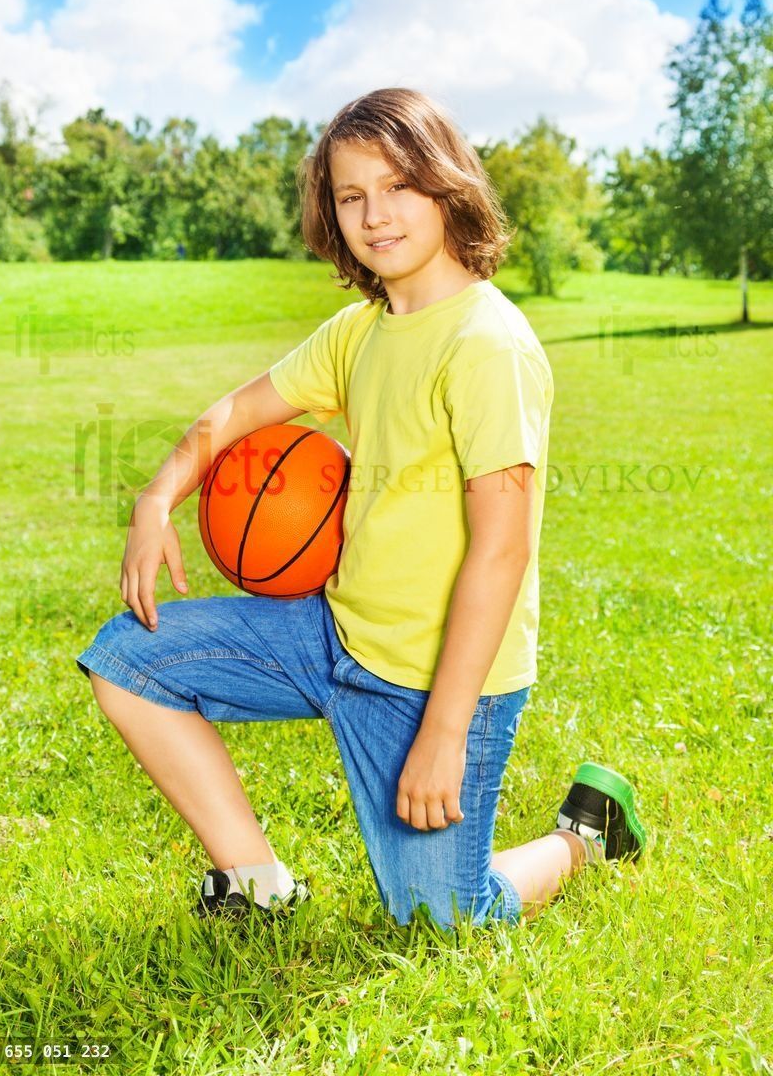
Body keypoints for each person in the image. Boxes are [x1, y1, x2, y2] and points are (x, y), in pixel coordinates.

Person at [75, 87, 646, 933]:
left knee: (443, 919)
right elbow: (230, 415)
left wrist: (443, 733)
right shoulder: (359, 331)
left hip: (437, 680)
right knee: (129, 660)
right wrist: (156, 496)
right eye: (352, 195)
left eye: (399, 186)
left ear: (447, 186)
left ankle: (583, 836)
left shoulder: (486, 345)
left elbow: (502, 551)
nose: (375, 215)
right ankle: (256, 883)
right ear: (331, 210)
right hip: (335, 634)